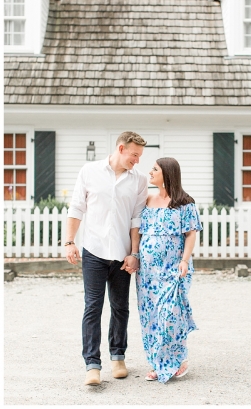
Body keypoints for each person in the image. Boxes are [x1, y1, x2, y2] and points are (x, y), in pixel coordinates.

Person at [64, 131, 148, 386]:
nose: (137, 160)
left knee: (120, 307)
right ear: (121, 149)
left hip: (122, 255)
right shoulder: (89, 171)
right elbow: (77, 207)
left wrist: (133, 253)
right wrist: (69, 241)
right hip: (94, 251)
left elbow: (136, 221)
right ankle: (92, 364)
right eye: (134, 155)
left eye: (140, 156)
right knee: (93, 307)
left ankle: (118, 357)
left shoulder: (139, 180)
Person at [136, 157, 202, 383]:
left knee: (171, 315)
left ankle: (178, 360)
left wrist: (184, 260)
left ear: (168, 173)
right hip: (147, 273)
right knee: (151, 317)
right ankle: (157, 363)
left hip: (173, 269)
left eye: (155, 169)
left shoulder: (185, 202)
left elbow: (191, 233)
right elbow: (136, 229)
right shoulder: (146, 199)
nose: (150, 172)